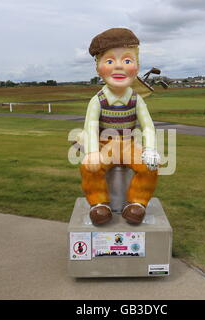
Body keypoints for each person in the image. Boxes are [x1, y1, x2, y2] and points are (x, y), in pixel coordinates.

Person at [80, 28, 160, 225]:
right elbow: (90, 126)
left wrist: (150, 149)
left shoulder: (136, 99)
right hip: (103, 144)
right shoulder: (97, 100)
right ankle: (99, 204)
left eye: (127, 61)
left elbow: (148, 126)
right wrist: (91, 152)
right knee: (89, 168)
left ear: (137, 66)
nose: (119, 67)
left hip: (127, 144)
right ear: (98, 67)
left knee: (150, 167)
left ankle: (137, 203)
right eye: (109, 61)